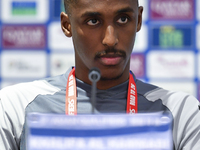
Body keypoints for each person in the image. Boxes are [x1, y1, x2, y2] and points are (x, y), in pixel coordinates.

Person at [0, 0, 200, 149]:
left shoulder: (182, 112)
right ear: (66, 25)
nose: (110, 39)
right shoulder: (14, 106)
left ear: (138, 19)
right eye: (93, 21)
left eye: (123, 19)